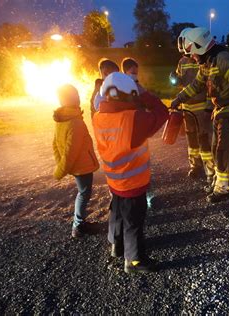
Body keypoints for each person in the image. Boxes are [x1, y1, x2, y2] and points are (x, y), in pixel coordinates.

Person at [92, 72, 169, 273]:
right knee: (134, 221)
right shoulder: (134, 119)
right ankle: (134, 261)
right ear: (130, 95)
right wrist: (143, 94)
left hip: (114, 179)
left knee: (116, 213)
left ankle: (116, 246)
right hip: (133, 182)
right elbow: (162, 112)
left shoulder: (98, 117)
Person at [171, 27, 229, 203]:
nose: (191, 57)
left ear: (200, 47)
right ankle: (224, 181)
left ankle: (223, 188)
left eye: (192, 52)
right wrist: (178, 99)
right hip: (220, 111)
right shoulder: (207, 63)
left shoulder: (223, 60)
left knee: (223, 149)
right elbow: (196, 85)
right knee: (216, 150)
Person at [53, 84, 99, 238]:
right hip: (82, 166)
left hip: (79, 165)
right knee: (84, 193)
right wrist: (61, 170)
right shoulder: (75, 122)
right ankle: (78, 226)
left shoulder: (63, 119)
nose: (79, 98)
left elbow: (56, 144)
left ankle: (79, 223)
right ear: (72, 99)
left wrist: (60, 163)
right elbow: (71, 150)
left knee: (83, 192)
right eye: (76, 95)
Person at [170, 28, 215, 183]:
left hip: (202, 107)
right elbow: (183, 82)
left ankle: (210, 171)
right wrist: (176, 79)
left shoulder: (202, 60)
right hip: (187, 108)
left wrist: (209, 106)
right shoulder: (181, 62)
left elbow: (206, 84)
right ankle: (195, 167)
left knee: (204, 140)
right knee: (191, 141)